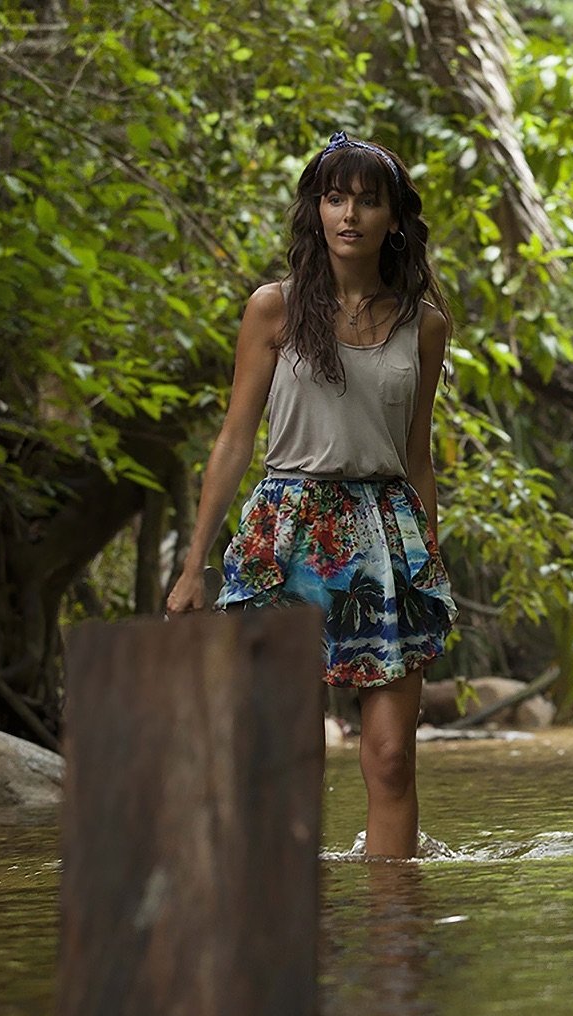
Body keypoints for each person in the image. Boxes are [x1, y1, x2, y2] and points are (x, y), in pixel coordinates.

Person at [166, 132, 457, 859]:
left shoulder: (424, 324)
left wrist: (428, 560)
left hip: (387, 538)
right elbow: (235, 440)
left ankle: (395, 918)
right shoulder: (274, 308)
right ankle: (278, 911)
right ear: (316, 210)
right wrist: (194, 564)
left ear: (395, 217)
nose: (349, 215)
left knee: (391, 758)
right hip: (287, 532)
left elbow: (418, 455)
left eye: (367, 200)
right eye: (335, 198)